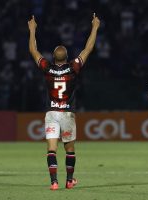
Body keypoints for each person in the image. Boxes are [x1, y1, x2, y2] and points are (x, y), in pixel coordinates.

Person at [28, 13, 100, 190]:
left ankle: (54, 182)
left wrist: (32, 30)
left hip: (51, 113)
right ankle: (69, 180)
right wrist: (95, 27)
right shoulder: (73, 68)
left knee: (51, 149)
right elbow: (88, 49)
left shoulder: (47, 68)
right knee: (69, 149)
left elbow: (33, 50)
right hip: (67, 113)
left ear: (53, 57)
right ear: (66, 57)